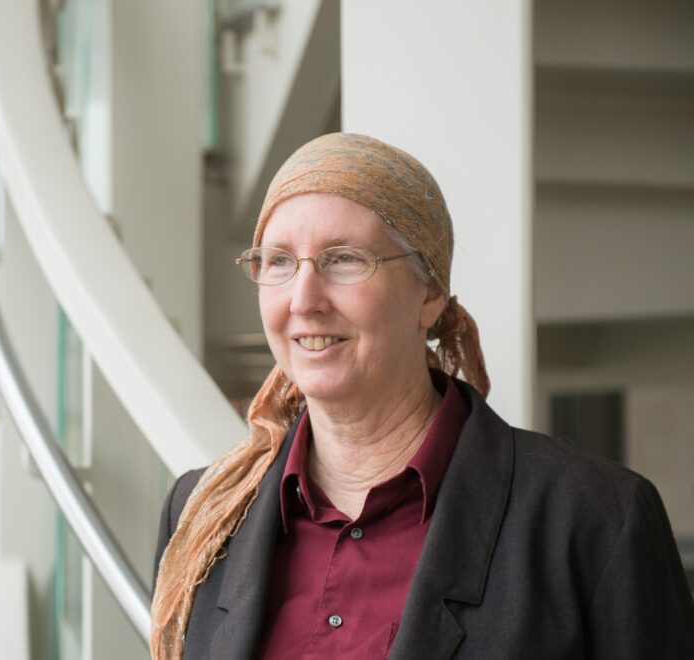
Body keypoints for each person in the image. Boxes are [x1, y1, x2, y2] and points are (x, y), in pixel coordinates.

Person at [150, 133, 694, 659]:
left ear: (429, 293)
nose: (304, 298)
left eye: (343, 259)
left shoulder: (596, 517)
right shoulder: (203, 514)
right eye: (278, 261)